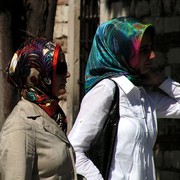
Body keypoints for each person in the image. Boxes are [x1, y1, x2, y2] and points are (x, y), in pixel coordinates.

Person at [68, 17, 180, 180]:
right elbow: (74, 148)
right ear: (123, 53)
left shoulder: (143, 96)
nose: (152, 56)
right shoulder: (107, 90)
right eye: (143, 50)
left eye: (151, 49)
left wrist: (159, 80)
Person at [0, 37, 77, 180]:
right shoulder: (20, 127)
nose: (67, 74)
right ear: (39, 74)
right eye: (60, 68)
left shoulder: (50, 115)